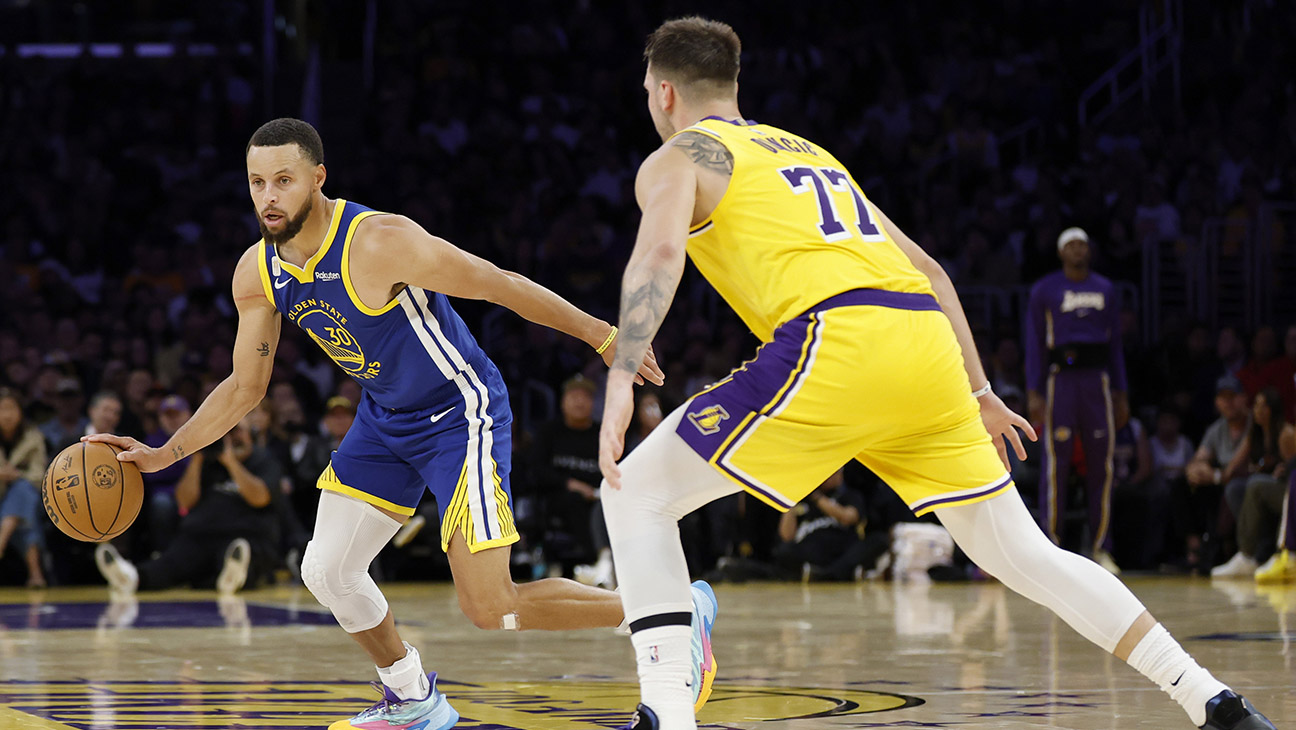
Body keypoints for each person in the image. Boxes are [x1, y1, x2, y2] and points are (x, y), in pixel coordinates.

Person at [596, 17, 1273, 730]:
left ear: (664, 92)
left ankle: (667, 711)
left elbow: (660, 255)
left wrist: (619, 374)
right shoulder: (812, 155)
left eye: (646, 92)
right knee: (1026, 554)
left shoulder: (680, 155)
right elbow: (931, 271)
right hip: (927, 345)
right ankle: (1210, 699)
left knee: (634, 493)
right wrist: (981, 392)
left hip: (840, 339)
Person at [84, 118, 710, 730]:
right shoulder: (258, 272)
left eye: (283, 181)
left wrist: (605, 336)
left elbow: (499, 285)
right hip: (384, 420)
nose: (268, 197)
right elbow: (246, 387)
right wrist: (165, 453)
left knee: (491, 606)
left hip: (459, 412)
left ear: (318, 179)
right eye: (257, 183)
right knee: (326, 570)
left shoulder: (380, 242)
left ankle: (670, 614)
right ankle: (412, 697)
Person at [1024, 226, 1129, 574]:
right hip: (1061, 382)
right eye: (1070, 245)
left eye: (1082, 244)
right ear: (1060, 252)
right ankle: (1050, 546)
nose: (1077, 250)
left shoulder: (1105, 288)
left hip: (1097, 381)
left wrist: (1121, 391)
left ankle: (1102, 547)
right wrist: (1034, 390)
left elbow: (1115, 345)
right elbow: (1035, 343)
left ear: (1089, 250)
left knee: (1102, 466)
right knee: (1056, 465)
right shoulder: (1045, 290)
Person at [95, 415, 283, 594]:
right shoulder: (208, 461)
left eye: (237, 430)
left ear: (251, 434)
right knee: (172, 562)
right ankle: (132, 577)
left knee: (241, 555)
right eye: (226, 432)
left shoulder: (263, 459)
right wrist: (198, 458)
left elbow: (260, 497)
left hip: (243, 535)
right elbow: (184, 502)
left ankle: (233, 576)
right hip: (200, 535)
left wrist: (231, 462)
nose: (231, 438)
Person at [1211, 387, 1295, 578]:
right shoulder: (1254, 434)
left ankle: (1248, 555)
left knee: (1255, 485)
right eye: (1255, 405)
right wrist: (1213, 474)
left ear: (1273, 409)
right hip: (1268, 487)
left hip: (1287, 493)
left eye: (1263, 406)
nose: (1258, 410)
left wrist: (1281, 471)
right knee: (1235, 488)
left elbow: (1293, 472)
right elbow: (1231, 469)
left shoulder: (1286, 434)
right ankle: (1257, 549)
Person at [0, 388, 49, 588]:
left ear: (20, 411)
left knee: (22, 491)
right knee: (24, 518)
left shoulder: (33, 438)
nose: (7, 415)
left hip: (29, 497)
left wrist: (16, 475)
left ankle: (1, 540)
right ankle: (35, 573)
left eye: (11, 409)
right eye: (2, 409)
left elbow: (40, 476)